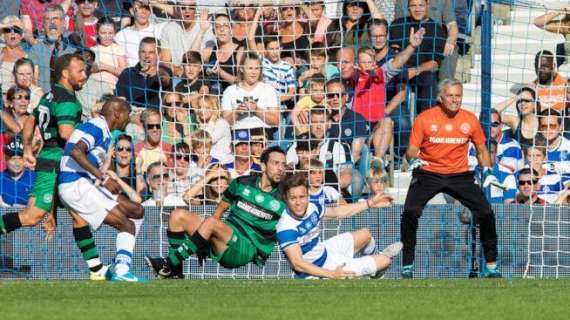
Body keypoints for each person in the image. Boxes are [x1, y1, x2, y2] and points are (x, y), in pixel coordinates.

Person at [400, 78, 501, 278]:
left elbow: (481, 149)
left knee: (486, 212)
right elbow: (411, 150)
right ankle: (407, 265)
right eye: (450, 96)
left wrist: (488, 170)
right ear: (440, 97)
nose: (455, 100)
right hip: (428, 172)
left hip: (459, 175)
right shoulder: (424, 118)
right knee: (410, 212)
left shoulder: (470, 119)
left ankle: (491, 267)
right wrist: (413, 160)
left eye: (458, 96)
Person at [144, 146, 288, 279]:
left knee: (212, 223)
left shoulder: (285, 196)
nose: (281, 168)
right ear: (263, 165)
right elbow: (219, 210)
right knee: (177, 215)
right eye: (276, 163)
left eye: (283, 164)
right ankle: (175, 273)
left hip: (248, 247)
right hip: (226, 235)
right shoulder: (241, 183)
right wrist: (203, 236)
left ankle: (167, 264)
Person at [0, 54, 86, 244]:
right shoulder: (66, 100)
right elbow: (65, 133)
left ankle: (98, 270)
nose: (84, 75)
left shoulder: (50, 94)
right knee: (31, 217)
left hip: (54, 162)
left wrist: (28, 150)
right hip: (56, 162)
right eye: (80, 71)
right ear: (65, 73)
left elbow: (31, 120)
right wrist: (89, 141)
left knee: (80, 217)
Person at [58, 97, 145, 282]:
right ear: (116, 113)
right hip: (76, 185)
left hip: (83, 183)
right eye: (127, 115)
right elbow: (76, 151)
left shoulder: (105, 131)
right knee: (126, 225)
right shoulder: (97, 126)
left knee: (137, 211)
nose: (128, 120)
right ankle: (121, 271)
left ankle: (116, 264)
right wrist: (103, 178)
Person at [276, 172, 401, 279]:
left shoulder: (312, 207)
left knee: (365, 234)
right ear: (286, 198)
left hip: (326, 251)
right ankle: (378, 264)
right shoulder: (286, 227)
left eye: (302, 197)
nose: (298, 202)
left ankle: (376, 269)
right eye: (293, 198)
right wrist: (332, 274)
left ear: (308, 196)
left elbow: (337, 212)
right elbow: (298, 263)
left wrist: (369, 203)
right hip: (317, 271)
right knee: (385, 261)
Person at [28, 4, 78, 93]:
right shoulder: (35, 50)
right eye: (48, 19)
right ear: (43, 24)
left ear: (63, 23)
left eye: (55, 19)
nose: (52, 22)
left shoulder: (73, 49)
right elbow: (34, 81)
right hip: (43, 98)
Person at [115, 37, 162, 110]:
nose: (146, 56)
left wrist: (155, 73)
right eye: (143, 52)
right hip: (132, 116)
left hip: (157, 118)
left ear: (159, 54)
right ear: (138, 53)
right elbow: (120, 101)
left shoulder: (163, 74)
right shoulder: (127, 73)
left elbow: (166, 80)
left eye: (151, 52)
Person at [0, 136, 35, 208]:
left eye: (20, 158)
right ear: (5, 159)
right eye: (13, 159)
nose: (17, 163)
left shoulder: (36, 178)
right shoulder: (1, 178)